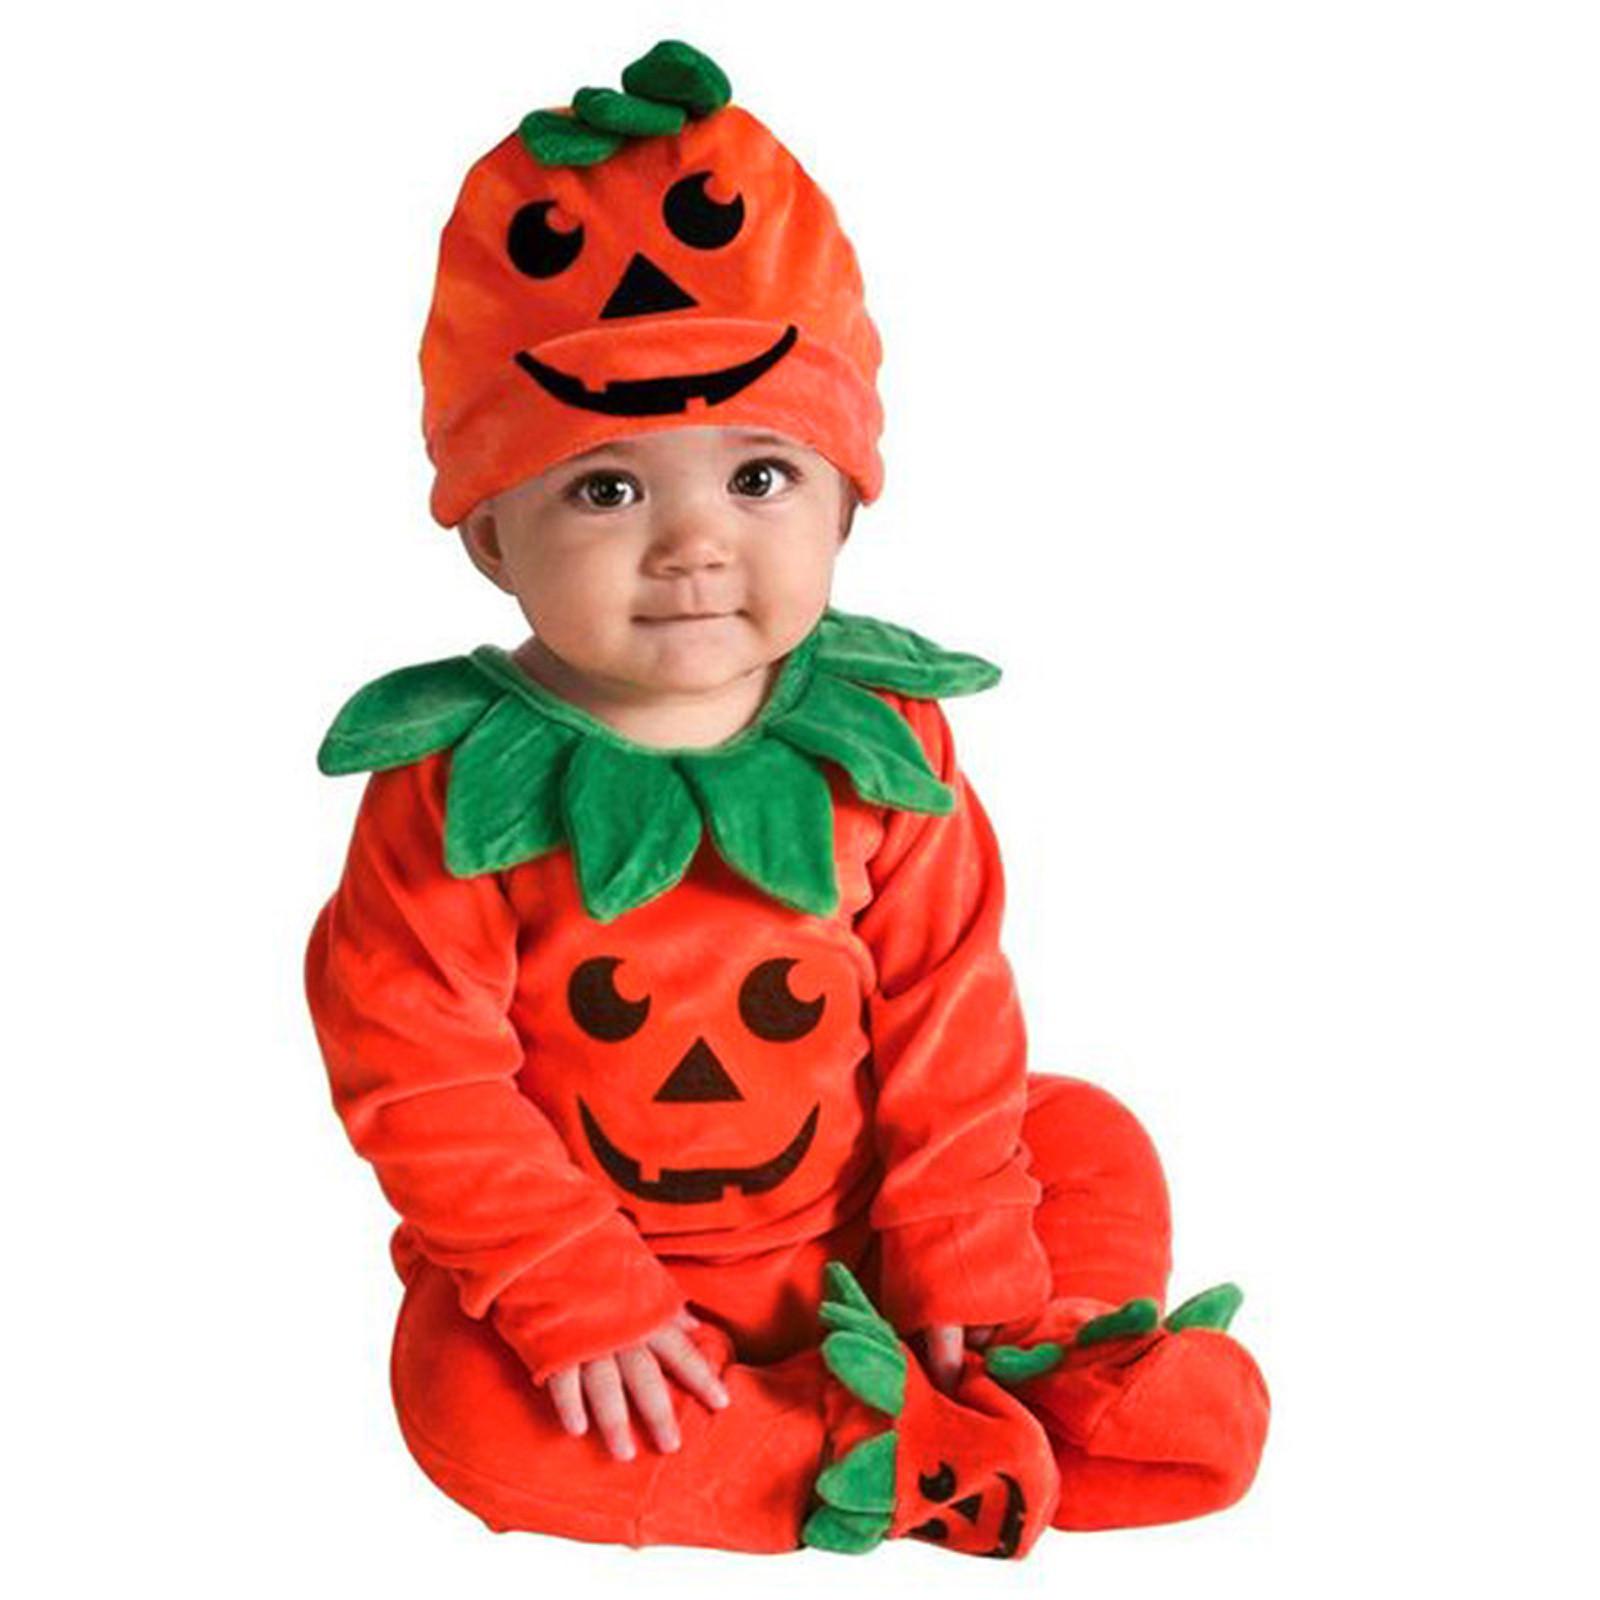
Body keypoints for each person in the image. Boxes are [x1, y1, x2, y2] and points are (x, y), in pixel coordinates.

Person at [304, 39, 1269, 1558]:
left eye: (760, 478)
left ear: (846, 500)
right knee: (459, 1405)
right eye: (607, 487)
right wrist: (575, 1289)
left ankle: (1035, 1355)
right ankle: (883, 1454)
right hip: (612, 1270)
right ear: (490, 535)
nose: (693, 545)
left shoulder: (883, 739)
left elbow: (947, 999)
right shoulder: (449, 791)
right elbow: (419, 1077)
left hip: (872, 1213)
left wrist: (957, 1247)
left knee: (1083, 1132)